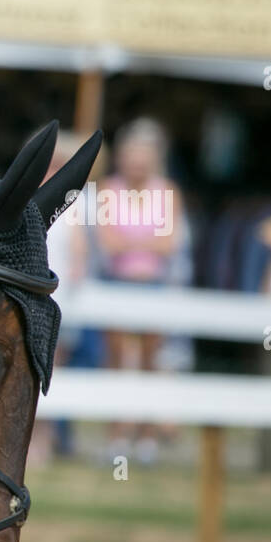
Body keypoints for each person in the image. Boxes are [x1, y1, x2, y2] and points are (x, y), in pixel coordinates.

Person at [96, 117, 185, 464]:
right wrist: (144, 241)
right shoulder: (108, 189)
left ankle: (146, 438)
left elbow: (169, 243)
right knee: (116, 360)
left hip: (153, 287)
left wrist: (132, 241)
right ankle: (116, 436)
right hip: (117, 284)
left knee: (150, 361)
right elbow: (108, 241)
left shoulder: (167, 192)